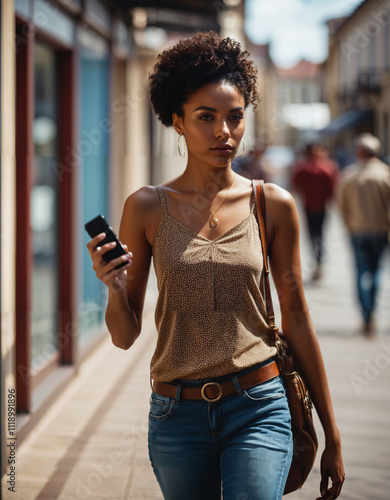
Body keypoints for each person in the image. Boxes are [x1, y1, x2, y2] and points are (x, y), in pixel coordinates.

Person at [87, 32, 344, 500]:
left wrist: (332, 434)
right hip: (175, 412)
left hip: (260, 405)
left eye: (235, 117)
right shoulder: (146, 207)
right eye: (206, 117)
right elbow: (124, 337)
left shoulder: (274, 205)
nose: (224, 132)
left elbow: (299, 319)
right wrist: (113, 287)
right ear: (177, 121)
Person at [337, 133, 390, 337]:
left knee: (361, 272)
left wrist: (348, 225)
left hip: (357, 230)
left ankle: (365, 315)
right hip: (379, 230)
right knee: (376, 272)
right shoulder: (385, 174)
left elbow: (341, 205)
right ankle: (372, 310)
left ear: (360, 151)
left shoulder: (350, 175)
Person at [291, 143, 339, 281]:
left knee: (313, 235)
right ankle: (318, 261)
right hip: (320, 206)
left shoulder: (303, 167)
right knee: (319, 235)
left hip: (310, 206)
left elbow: (295, 184)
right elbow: (334, 187)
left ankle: (317, 260)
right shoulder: (328, 167)